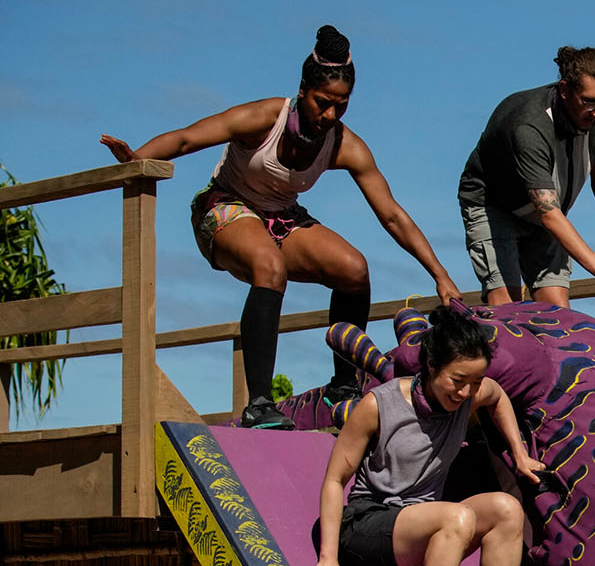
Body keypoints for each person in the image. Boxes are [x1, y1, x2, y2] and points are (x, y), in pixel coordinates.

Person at [101, 26, 463, 430]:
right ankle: (259, 401)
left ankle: (344, 385)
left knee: (353, 269)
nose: (329, 116)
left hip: (281, 217)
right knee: (269, 266)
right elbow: (187, 139)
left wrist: (440, 274)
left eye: (341, 106)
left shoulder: (345, 145)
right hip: (224, 208)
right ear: (303, 90)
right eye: (322, 103)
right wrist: (135, 160)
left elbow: (392, 214)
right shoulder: (263, 119)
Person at [310, 306, 544, 566]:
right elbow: (335, 480)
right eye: (457, 380)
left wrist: (519, 454)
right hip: (370, 527)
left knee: (507, 508)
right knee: (456, 516)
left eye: (474, 381)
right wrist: (327, 557)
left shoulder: (471, 395)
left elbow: (498, 396)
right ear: (431, 366)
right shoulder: (379, 405)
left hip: (426, 530)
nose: (466, 392)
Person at [458, 46, 595, 310]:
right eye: (589, 102)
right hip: (494, 207)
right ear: (565, 90)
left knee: (556, 313)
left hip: (546, 214)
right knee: (507, 310)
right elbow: (549, 214)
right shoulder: (529, 126)